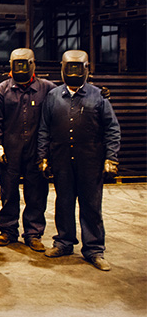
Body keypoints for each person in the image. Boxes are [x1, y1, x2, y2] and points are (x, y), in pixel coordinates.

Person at [37, 50, 120, 271]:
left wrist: (111, 157)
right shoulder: (53, 97)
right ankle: (64, 242)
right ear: (62, 69)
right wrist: (43, 157)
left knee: (91, 206)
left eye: (78, 68)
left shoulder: (98, 96)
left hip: (90, 161)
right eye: (69, 68)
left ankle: (94, 249)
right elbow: (44, 129)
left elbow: (112, 129)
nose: (73, 72)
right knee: (63, 203)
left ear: (86, 69)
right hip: (61, 160)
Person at [0, 48, 56, 251]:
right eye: (16, 65)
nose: (20, 69)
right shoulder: (2, 90)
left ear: (32, 64)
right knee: (8, 192)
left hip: (36, 152)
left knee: (36, 193)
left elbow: (66, 100)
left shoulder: (47, 89)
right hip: (10, 151)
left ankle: (33, 233)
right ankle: (8, 230)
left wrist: (100, 94)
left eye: (24, 64)